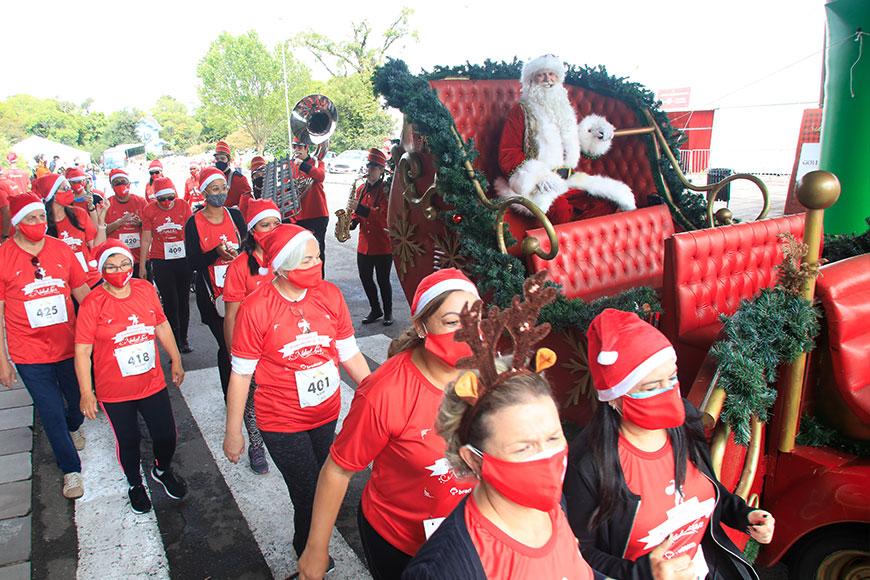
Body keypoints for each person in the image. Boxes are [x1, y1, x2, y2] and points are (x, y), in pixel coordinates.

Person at [404, 272, 595, 580]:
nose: (548, 458)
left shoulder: (551, 503)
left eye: (553, 437)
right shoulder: (448, 570)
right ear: (474, 459)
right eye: (524, 447)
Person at [564, 308, 776, 579]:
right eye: (652, 387)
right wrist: (643, 574)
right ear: (615, 397)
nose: (668, 393)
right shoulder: (588, 466)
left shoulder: (684, 420)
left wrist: (743, 515)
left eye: (672, 378)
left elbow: (704, 489)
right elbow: (579, 553)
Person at [296, 269, 480, 580]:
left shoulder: (491, 372)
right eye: (451, 322)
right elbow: (339, 469)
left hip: (470, 534)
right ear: (422, 326)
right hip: (401, 542)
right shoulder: (385, 393)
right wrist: (316, 548)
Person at [223, 224, 370, 565]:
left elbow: (349, 352)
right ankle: (309, 554)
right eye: (307, 260)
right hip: (280, 419)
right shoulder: (256, 307)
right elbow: (242, 374)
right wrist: (234, 432)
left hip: (325, 412)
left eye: (318, 257)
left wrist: (377, 392)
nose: (316, 265)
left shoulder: (329, 295)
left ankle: (307, 544)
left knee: (322, 480)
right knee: (308, 493)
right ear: (284, 265)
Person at [74, 240, 187, 514]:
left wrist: (176, 358)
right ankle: (135, 484)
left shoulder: (145, 289)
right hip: (115, 390)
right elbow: (82, 350)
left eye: (124, 263)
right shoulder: (93, 302)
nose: (119, 270)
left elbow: (161, 324)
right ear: (102, 270)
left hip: (151, 382)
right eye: (111, 266)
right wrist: (87, 392)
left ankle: (161, 469)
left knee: (166, 435)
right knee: (128, 441)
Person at [0, 193, 91, 499]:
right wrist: (3, 361)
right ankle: (71, 470)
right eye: (31, 218)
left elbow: (82, 293)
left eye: (41, 216)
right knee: (50, 410)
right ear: (16, 224)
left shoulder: (61, 249)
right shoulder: (3, 257)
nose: (39, 223)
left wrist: (101, 332)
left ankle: (75, 423)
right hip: (29, 352)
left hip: (68, 345)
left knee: (76, 397)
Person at [497, 54, 635, 224]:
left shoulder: (564, 109)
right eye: (542, 74)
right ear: (532, 80)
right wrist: (538, 178)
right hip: (539, 184)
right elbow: (508, 154)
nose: (548, 79)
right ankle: (561, 247)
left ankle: (582, 244)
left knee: (607, 202)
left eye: (552, 74)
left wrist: (597, 135)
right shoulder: (521, 111)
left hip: (569, 179)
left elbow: (580, 147)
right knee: (561, 211)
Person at [222, 198, 281, 474]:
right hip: (252, 346)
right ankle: (256, 445)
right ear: (252, 230)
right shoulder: (239, 267)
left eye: (276, 224)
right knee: (252, 397)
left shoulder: (287, 261)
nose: (271, 230)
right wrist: (233, 350)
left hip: (282, 344)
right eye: (264, 225)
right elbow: (231, 314)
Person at [186, 167, 246, 396]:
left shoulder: (235, 215)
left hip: (242, 291)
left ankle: (252, 390)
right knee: (227, 345)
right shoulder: (194, 223)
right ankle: (231, 394)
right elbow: (192, 262)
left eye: (223, 188)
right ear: (204, 193)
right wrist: (215, 253)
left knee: (246, 341)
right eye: (214, 189)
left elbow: (249, 246)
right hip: (213, 296)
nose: (220, 193)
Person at [139, 177, 193, 353]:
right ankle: (174, 343)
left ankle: (183, 339)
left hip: (182, 259)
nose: (167, 203)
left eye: (171, 198)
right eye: (162, 199)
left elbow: (192, 232)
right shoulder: (149, 210)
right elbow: (146, 238)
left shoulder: (183, 206)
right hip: (161, 261)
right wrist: (142, 265)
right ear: (156, 199)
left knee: (183, 301)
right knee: (170, 303)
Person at [36, 174, 106, 288]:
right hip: (63, 284)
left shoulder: (79, 214)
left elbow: (96, 246)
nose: (71, 191)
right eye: (65, 188)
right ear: (52, 195)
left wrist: (101, 222)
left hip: (90, 279)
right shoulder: (42, 224)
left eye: (69, 187)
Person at [353, 148, 394, 326]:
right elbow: (356, 212)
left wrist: (360, 210)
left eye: (374, 167)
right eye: (369, 165)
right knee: (365, 278)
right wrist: (352, 221)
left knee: (383, 280)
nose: (370, 170)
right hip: (364, 245)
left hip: (383, 245)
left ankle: (388, 312)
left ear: (382, 170)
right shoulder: (361, 189)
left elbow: (384, 217)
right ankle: (375, 309)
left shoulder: (386, 190)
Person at [289, 140, 328, 274]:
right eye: (294, 147)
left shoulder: (317, 163)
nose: (297, 149)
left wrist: (303, 165)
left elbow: (320, 176)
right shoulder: (290, 165)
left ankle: (318, 281)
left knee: (317, 250)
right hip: (297, 215)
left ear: (306, 148)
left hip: (317, 213)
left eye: (300, 146)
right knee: (300, 253)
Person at [104, 168, 146, 276]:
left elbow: (151, 227)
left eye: (123, 181)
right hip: (118, 261)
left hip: (139, 258)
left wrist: (141, 223)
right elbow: (102, 232)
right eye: (116, 183)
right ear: (112, 186)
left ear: (129, 183)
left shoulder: (140, 201)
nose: (120, 185)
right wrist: (119, 222)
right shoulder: (107, 204)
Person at [212, 140, 252, 209]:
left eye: (222, 158)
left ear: (228, 160)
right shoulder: (212, 178)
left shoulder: (239, 179)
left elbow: (248, 199)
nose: (219, 161)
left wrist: (238, 207)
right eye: (217, 159)